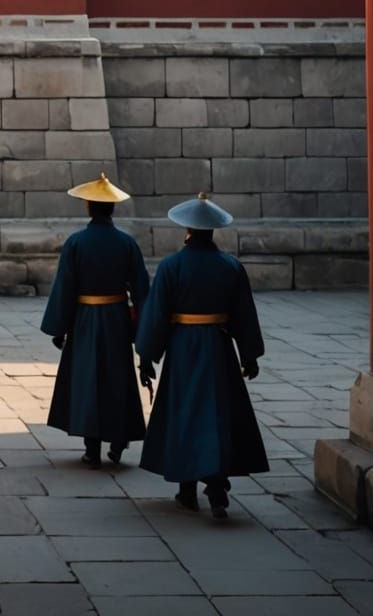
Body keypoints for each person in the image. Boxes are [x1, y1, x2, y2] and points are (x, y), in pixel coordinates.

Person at [135, 192, 269, 518]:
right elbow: (243, 315)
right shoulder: (230, 266)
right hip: (219, 348)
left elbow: (156, 315)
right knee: (217, 416)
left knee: (184, 413)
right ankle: (218, 488)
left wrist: (147, 356)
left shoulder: (171, 267)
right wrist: (248, 355)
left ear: (188, 230)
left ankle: (187, 490)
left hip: (183, 348)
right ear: (212, 230)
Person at [40, 173, 149, 466]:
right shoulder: (127, 243)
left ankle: (92, 447)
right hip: (116, 319)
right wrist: (143, 330)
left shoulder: (76, 243)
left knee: (88, 380)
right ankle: (119, 439)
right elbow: (141, 290)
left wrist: (59, 328)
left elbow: (65, 288)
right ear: (112, 208)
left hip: (85, 319)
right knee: (117, 378)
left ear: (89, 206)